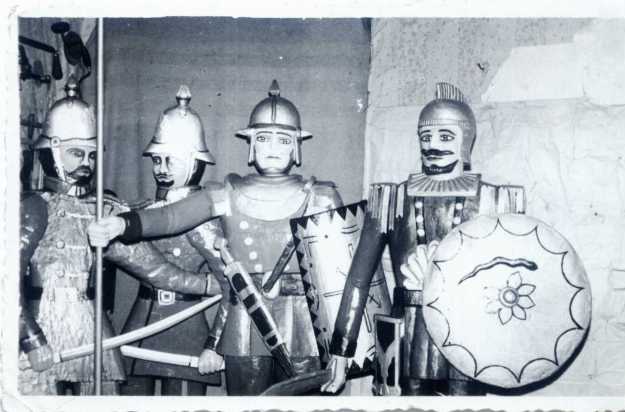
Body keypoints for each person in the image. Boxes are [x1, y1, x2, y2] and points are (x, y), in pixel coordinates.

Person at [88, 80, 343, 395]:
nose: (273, 148)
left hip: (305, 323)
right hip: (246, 321)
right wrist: (122, 225)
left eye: (283, 140)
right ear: (251, 144)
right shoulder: (225, 194)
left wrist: (343, 348)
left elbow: (338, 279)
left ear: (296, 146)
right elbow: (171, 217)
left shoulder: (321, 197)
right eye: (264, 138)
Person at [19, 77, 220, 395]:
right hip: (42, 325)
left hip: (90, 325)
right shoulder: (34, 206)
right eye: (76, 153)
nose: (86, 163)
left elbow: (154, 269)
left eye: (91, 155)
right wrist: (30, 338)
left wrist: (208, 285)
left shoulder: (103, 209)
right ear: (53, 150)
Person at [322, 82, 525, 396]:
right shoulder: (389, 198)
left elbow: (514, 281)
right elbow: (358, 279)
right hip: (405, 334)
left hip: (468, 329)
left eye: (445, 136)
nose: (432, 145)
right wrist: (341, 349)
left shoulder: (496, 201)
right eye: (425, 136)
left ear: (466, 139)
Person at [115, 85, 223, 396]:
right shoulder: (140, 212)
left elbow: (232, 288)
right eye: (157, 160)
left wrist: (214, 344)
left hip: (184, 328)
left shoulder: (203, 219)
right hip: (140, 324)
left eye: (170, 161)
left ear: (193, 162)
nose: (161, 170)